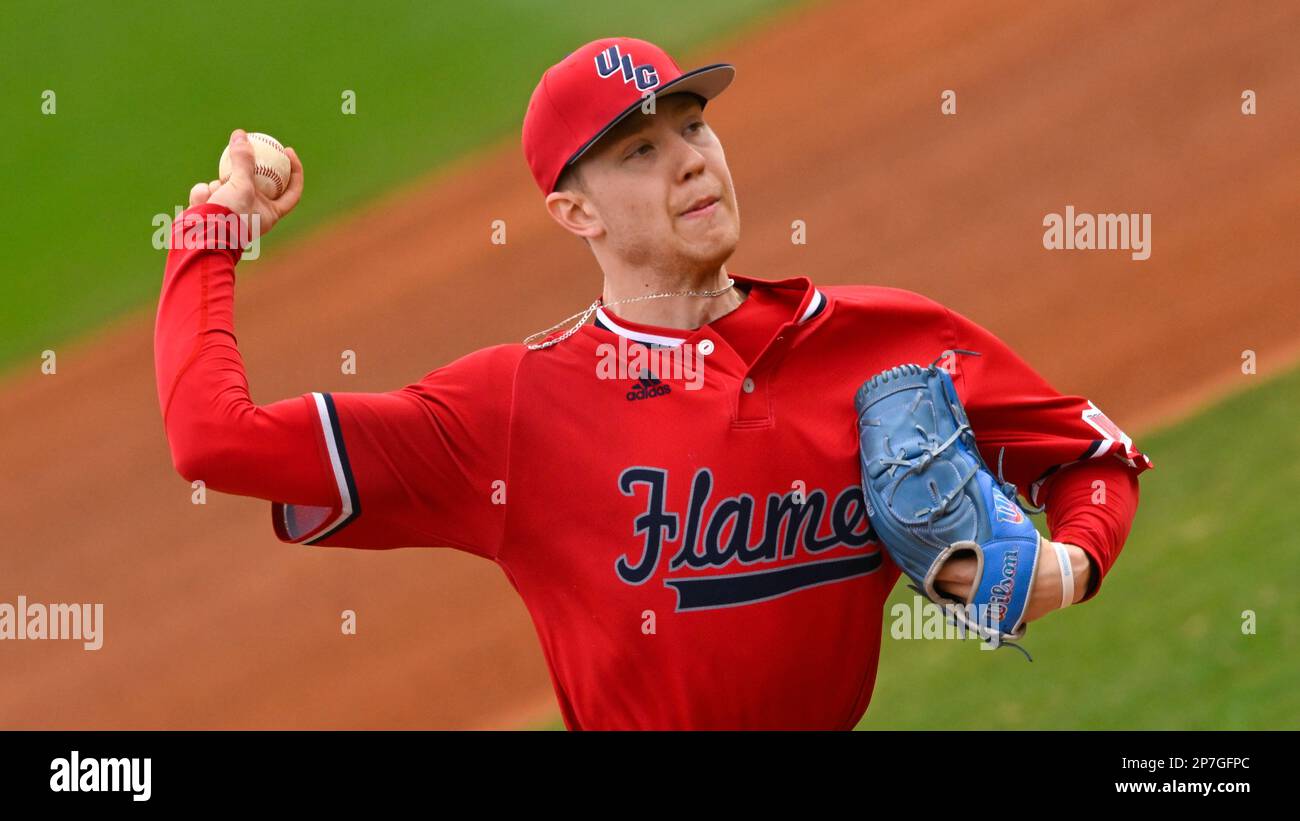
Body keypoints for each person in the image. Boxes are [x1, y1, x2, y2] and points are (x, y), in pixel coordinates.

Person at [155, 36, 1150, 730]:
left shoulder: (884, 341)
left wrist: (1064, 568)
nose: (689, 162)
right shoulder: (512, 411)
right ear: (573, 213)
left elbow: (1094, 458)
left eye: (694, 128)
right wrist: (212, 232)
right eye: (639, 150)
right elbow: (214, 436)